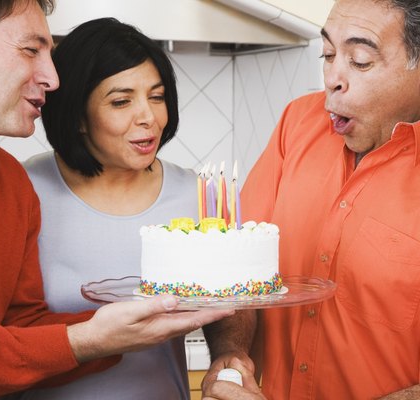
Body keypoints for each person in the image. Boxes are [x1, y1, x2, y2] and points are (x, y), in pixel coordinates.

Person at [0, 1, 233, 398]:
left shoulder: (8, 183)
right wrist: (86, 340)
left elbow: (21, 328)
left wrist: (123, 326)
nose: (53, 78)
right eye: (31, 50)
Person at [202, 0, 420, 399]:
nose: (332, 79)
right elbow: (238, 271)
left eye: (359, 61)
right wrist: (230, 356)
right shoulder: (298, 123)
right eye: (327, 54)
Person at [16, 18, 250, 399]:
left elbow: (231, 302)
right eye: (121, 101)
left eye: (156, 97)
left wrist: (229, 354)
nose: (148, 117)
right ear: (77, 115)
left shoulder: (198, 195)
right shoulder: (22, 190)